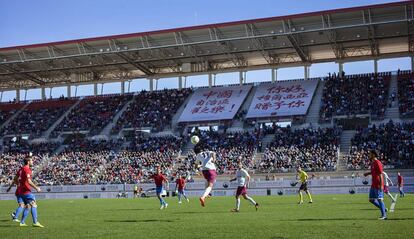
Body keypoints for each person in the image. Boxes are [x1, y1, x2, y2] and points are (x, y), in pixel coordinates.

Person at [15, 156, 44, 227]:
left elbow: (15, 178)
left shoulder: (21, 169)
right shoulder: (27, 169)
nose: (32, 162)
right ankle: (35, 222)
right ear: (28, 162)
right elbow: (29, 181)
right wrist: (37, 188)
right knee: (34, 205)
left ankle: (22, 222)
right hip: (26, 191)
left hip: (21, 191)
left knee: (28, 206)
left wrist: (18, 185)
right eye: (31, 161)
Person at [364, 150, 387, 220]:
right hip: (373, 184)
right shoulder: (373, 163)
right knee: (371, 200)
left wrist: (381, 185)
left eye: (370, 154)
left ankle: (384, 215)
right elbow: (373, 172)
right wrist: (368, 173)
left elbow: (380, 174)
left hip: (378, 184)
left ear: (373, 155)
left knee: (379, 199)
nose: (369, 155)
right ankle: (383, 208)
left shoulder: (377, 162)